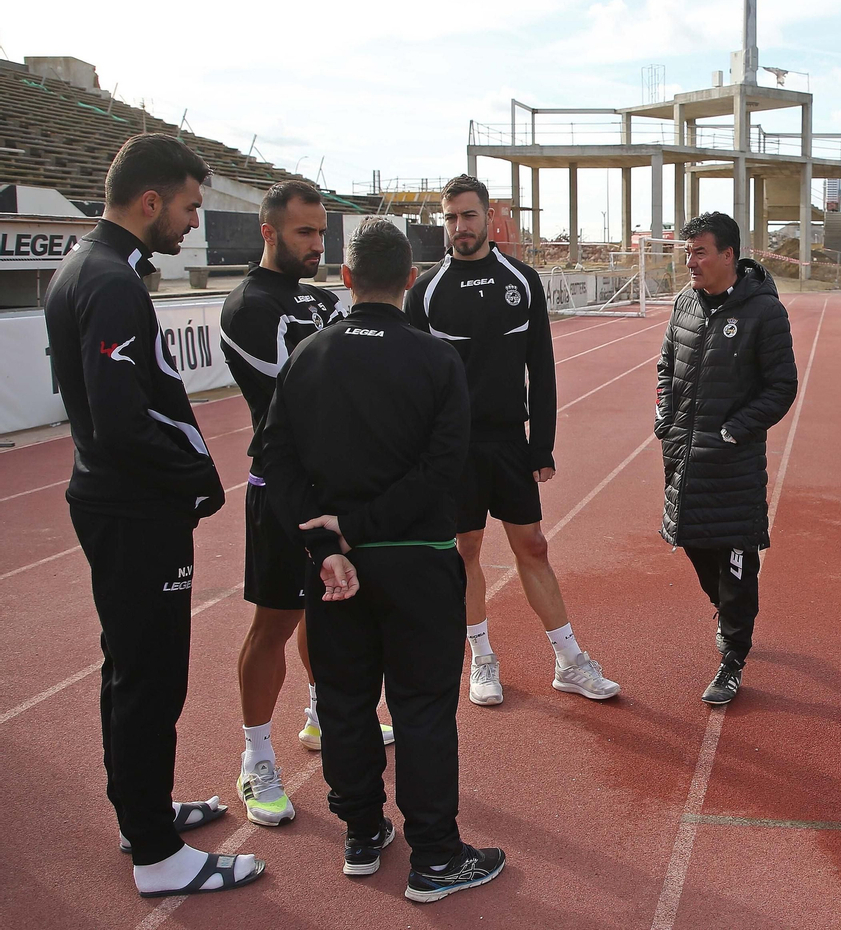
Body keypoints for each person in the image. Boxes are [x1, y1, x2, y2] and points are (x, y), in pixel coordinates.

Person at [259, 219, 505, 901]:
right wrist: (357, 527)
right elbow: (443, 470)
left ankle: (362, 831)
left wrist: (326, 541)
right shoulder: (435, 360)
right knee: (423, 705)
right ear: (410, 280)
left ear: (344, 277)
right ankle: (434, 855)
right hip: (418, 562)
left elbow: (272, 459)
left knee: (343, 699)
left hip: (335, 567)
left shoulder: (309, 355)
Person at [44, 133, 264, 897]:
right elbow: (119, 420)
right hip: (134, 511)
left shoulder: (86, 266)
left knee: (128, 667)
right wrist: (192, 482)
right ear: (150, 201)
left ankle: (140, 814)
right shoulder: (107, 280)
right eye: (188, 207)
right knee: (150, 676)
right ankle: (156, 855)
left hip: (114, 501)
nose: (192, 225)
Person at [220, 179, 396, 828]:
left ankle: (322, 716)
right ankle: (256, 757)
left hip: (336, 492)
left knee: (333, 614)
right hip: (280, 492)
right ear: (268, 232)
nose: (317, 244)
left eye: (322, 233)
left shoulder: (325, 300)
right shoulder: (247, 308)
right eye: (304, 233)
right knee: (274, 623)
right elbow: (296, 400)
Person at [405, 175, 618, 705]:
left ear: (488, 219)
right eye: (450, 218)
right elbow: (411, 379)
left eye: (468, 216)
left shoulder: (520, 280)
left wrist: (541, 444)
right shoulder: (425, 291)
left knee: (534, 546)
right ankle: (481, 658)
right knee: (466, 549)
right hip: (453, 449)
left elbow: (541, 368)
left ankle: (569, 660)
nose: (459, 227)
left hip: (508, 441)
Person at [656, 211, 797, 705]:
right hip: (684, 458)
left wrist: (735, 430)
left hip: (733, 465)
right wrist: (663, 418)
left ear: (728, 255)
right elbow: (666, 365)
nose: (690, 261)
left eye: (700, 252)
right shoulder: (684, 304)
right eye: (687, 252)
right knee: (696, 546)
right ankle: (727, 612)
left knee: (737, 562)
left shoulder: (765, 313)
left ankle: (733, 657)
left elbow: (782, 387)